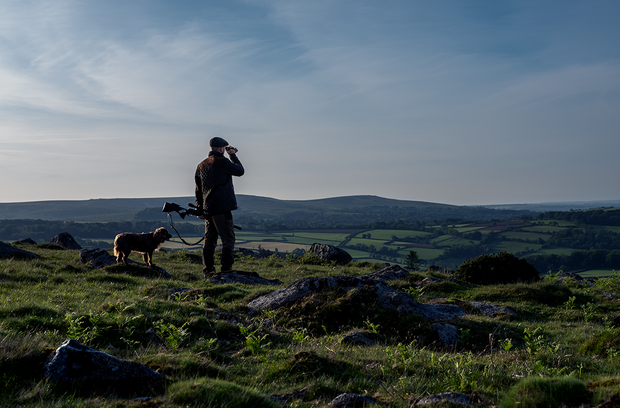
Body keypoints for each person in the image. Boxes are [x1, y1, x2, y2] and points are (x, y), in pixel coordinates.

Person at [195, 137, 244, 276]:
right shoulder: (223, 161)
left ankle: (208, 270)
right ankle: (226, 269)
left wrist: (200, 208)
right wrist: (233, 155)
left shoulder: (201, 165)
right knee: (228, 239)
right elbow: (240, 171)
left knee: (209, 241)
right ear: (222, 149)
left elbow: (198, 189)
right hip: (222, 208)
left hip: (208, 209)